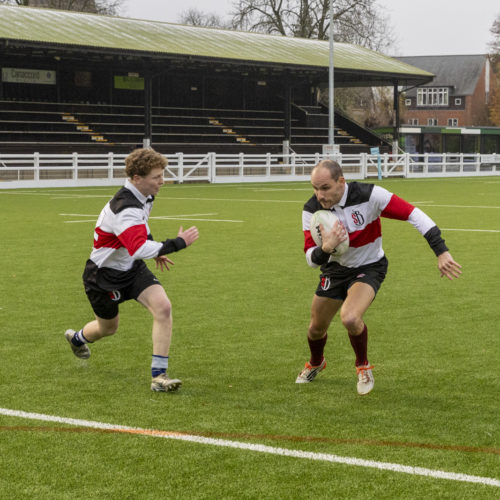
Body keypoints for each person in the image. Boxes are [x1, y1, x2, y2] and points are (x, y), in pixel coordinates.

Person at [296, 159, 461, 395]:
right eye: (315, 188)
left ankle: (362, 366)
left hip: (369, 266)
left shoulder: (370, 195)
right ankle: (316, 363)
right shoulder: (312, 209)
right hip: (335, 270)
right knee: (315, 329)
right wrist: (326, 247)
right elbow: (311, 260)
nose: (320, 195)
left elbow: (413, 214)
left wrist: (441, 251)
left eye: (325, 188)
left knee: (350, 318)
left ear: (341, 182)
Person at [64, 148, 199, 392]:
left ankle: (159, 377)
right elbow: (137, 248)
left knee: (163, 307)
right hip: (103, 276)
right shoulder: (125, 208)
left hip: (132, 268)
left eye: (162, 175)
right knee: (108, 328)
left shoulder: (145, 196)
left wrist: (156, 250)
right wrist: (177, 243)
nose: (162, 181)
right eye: (157, 177)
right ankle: (77, 338)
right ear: (137, 178)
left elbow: (141, 229)